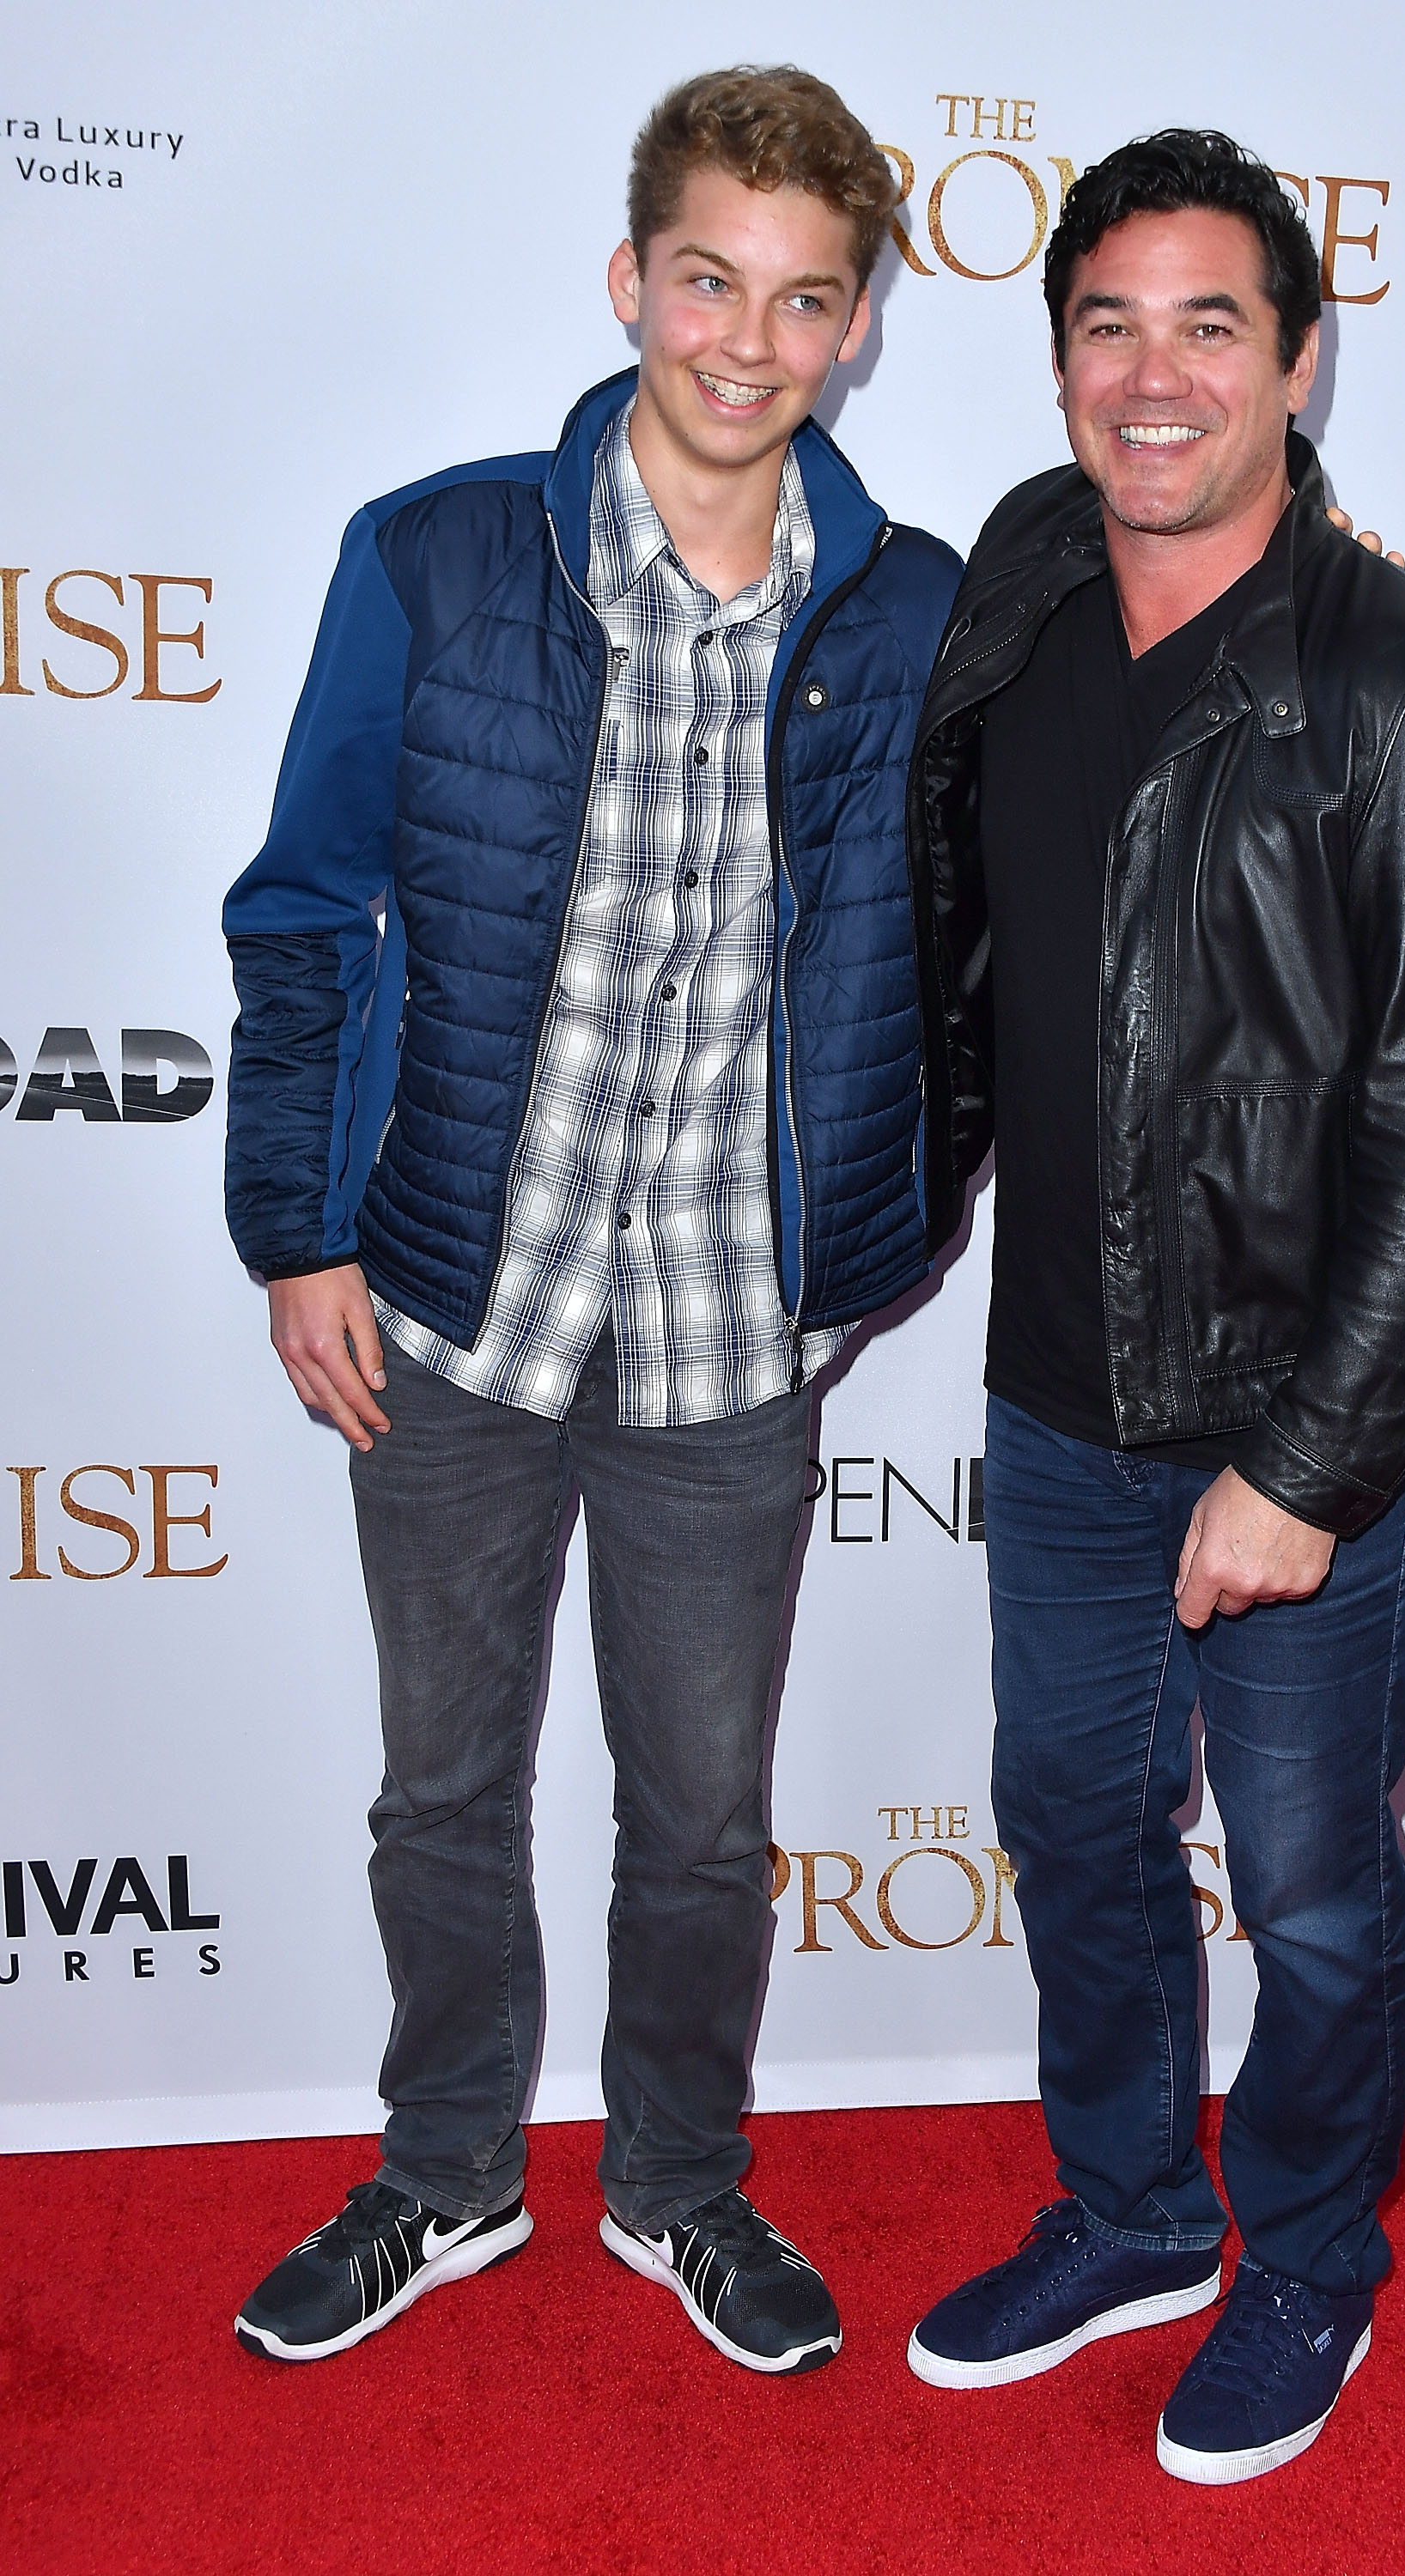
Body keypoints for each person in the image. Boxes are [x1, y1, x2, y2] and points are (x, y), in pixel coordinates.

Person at [221, 65, 964, 2375]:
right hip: (453, 1295)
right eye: (709, 280)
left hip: (731, 1337)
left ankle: (678, 2189)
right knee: (443, 1785)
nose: (747, 342)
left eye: (804, 299)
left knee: (699, 1804)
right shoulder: (438, 555)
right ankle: (445, 2180)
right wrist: (294, 1231)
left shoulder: (919, 609)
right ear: (630, 277)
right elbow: (302, 905)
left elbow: (958, 960)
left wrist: (871, 1234)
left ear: (855, 328)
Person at [903, 131, 1405, 2482]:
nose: (1152, 376)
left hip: (1314, 1423)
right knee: (1075, 1828)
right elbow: (970, 967)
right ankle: (1126, 2214)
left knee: (1297, 1878)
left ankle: (1304, 2263)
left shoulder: (1403, 688)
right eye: (1107, 323)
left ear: (1297, 356)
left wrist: (1304, 1464)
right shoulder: (1021, 582)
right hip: (1059, 1397)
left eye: (1208, 325)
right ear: (1057, 352)